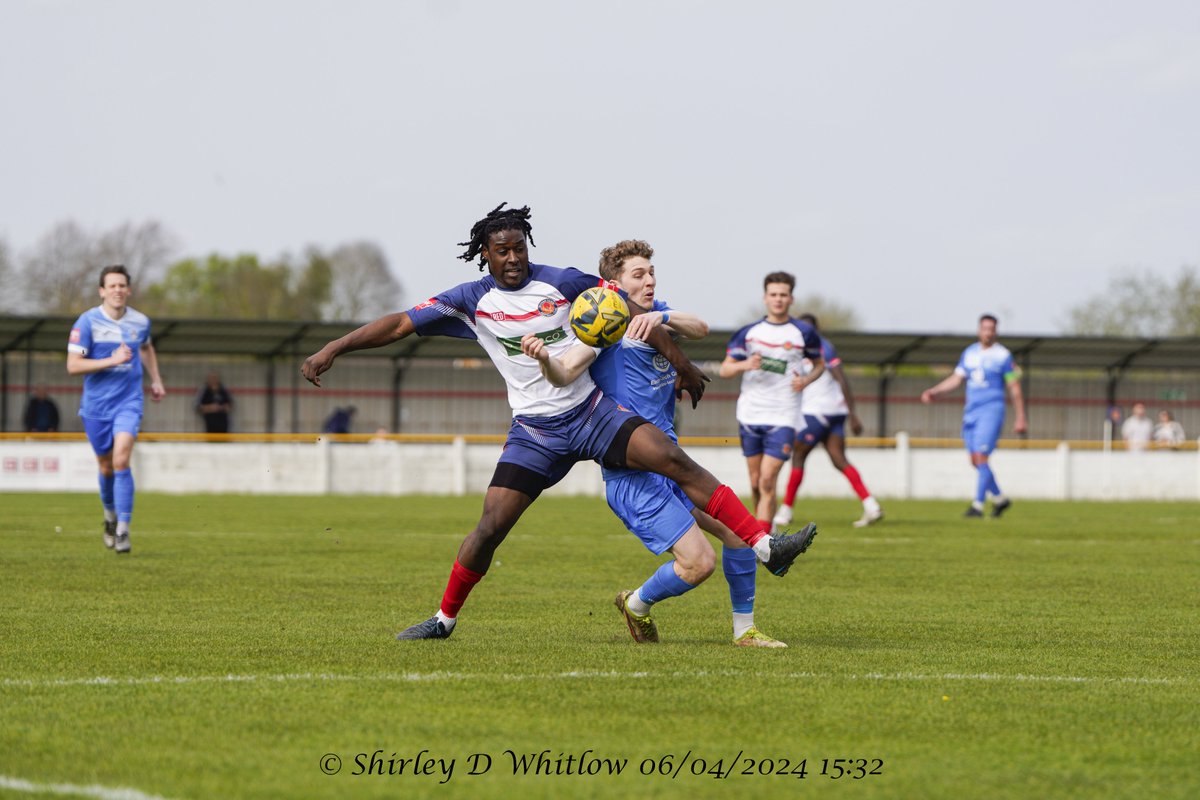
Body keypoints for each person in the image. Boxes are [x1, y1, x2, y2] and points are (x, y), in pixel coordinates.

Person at [301, 203, 818, 641]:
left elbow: (627, 311)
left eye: (519, 247)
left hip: (591, 414)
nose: (512, 258)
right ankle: (444, 618)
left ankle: (765, 544)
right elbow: (397, 323)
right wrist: (334, 347)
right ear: (486, 253)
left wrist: (681, 362)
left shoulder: (566, 282)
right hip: (535, 433)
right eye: (501, 250)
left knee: (671, 457)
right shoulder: (470, 300)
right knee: (491, 527)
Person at [531, 239, 807, 648]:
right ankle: (637, 605)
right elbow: (565, 372)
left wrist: (661, 315)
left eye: (652, 272)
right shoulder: (601, 327)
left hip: (672, 463)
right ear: (613, 283)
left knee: (737, 534)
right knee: (700, 564)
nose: (649, 280)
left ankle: (744, 631)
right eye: (638, 275)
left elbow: (700, 327)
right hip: (634, 472)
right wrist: (543, 360)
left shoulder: (657, 314)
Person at [66, 264, 166, 554]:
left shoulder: (140, 322)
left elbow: (146, 348)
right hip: (96, 407)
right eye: (112, 286)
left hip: (128, 402)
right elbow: (73, 365)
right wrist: (110, 360)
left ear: (129, 290)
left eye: (122, 285)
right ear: (102, 291)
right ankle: (109, 517)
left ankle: (123, 529)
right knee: (106, 466)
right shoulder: (86, 323)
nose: (118, 290)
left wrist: (156, 379)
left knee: (121, 460)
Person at [719, 272, 825, 534]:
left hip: (784, 415)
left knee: (768, 478)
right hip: (750, 414)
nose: (778, 299)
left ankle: (763, 541)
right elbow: (725, 369)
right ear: (765, 298)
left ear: (791, 298)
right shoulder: (749, 333)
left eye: (783, 295)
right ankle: (765, 534)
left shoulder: (804, 333)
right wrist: (746, 363)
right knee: (755, 483)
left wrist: (807, 380)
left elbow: (820, 365)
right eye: (773, 294)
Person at [774, 313, 883, 529]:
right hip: (835, 413)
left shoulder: (820, 348)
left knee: (798, 456)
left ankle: (785, 512)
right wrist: (851, 414)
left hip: (817, 411)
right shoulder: (814, 347)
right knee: (839, 459)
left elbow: (841, 378)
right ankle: (871, 505)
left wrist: (854, 414)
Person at [920, 314, 1026, 517]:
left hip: (991, 410)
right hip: (971, 412)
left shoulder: (1003, 356)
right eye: (985, 328)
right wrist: (935, 391)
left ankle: (977, 505)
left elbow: (1014, 387)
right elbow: (956, 379)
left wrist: (1020, 416)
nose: (988, 332)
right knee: (974, 460)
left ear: (996, 331)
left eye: (991, 329)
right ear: (979, 330)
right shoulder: (969, 353)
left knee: (981, 457)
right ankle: (1000, 499)